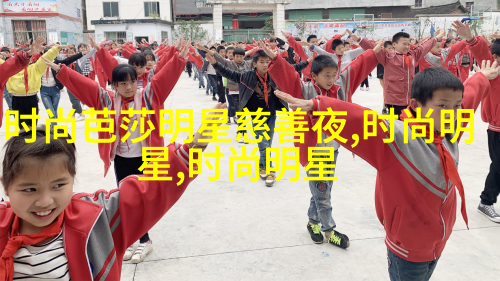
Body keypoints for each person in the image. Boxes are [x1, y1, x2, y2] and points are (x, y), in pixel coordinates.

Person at [275, 60, 499, 280]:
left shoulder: (448, 130)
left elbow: (468, 99)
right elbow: (363, 120)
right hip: (407, 250)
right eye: (442, 106)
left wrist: (480, 77)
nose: (452, 112)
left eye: (455, 106)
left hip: (439, 241)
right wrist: (318, 106)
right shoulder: (396, 138)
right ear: (415, 106)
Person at [0, 105, 225, 279]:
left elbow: (146, 193)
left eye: (58, 185)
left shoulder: (96, 220)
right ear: (6, 185)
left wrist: (193, 147)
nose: (45, 201)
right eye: (30, 189)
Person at [43, 38, 191, 264]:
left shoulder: (149, 96)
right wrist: (61, 70)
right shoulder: (107, 100)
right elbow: (86, 86)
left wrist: (178, 56)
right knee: (128, 200)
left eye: (132, 81)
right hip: (122, 159)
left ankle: (145, 241)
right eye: (123, 83)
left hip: (147, 157)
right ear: (114, 85)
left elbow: (165, 78)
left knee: (146, 200)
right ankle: (135, 238)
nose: (129, 86)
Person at [267, 37, 383, 249]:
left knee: (324, 188)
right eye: (326, 76)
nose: (331, 79)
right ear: (314, 76)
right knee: (322, 191)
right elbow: (290, 76)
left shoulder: (341, 88)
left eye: (334, 75)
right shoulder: (305, 90)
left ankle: (313, 222)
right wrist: (276, 58)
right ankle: (329, 230)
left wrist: (374, 51)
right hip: (312, 150)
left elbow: (358, 67)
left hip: (334, 148)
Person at [206, 48, 289, 187]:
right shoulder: (247, 75)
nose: (265, 65)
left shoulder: (273, 75)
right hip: (257, 115)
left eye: (267, 62)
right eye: (261, 62)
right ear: (254, 63)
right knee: (263, 143)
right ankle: (270, 171)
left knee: (267, 142)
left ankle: (262, 166)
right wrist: (216, 65)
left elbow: (290, 69)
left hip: (271, 114)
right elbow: (229, 73)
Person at [456, 21, 500, 223]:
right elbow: (483, 53)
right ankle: (486, 202)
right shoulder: (493, 71)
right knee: (499, 166)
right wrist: (471, 38)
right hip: (497, 129)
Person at [352, 30, 445, 118]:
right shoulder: (388, 56)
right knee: (396, 126)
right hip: (394, 100)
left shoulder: (413, 55)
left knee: (409, 125)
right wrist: (360, 40)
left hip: (410, 99)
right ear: (394, 44)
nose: (407, 46)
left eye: (408, 44)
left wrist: (436, 38)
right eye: (404, 44)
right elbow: (373, 48)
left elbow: (425, 47)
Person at [0, 38, 45, 126]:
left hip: (31, 97)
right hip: (16, 97)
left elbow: (12, 64)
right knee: (22, 127)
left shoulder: (34, 67)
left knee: (30, 128)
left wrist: (29, 53)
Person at [40, 45, 83, 125]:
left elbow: (69, 60)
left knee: (54, 111)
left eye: (51, 54)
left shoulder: (57, 63)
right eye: (47, 54)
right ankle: (54, 130)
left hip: (55, 90)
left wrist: (82, 53)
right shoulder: (39, 64)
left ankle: (53, 129)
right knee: (51, 113)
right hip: (44, 91)